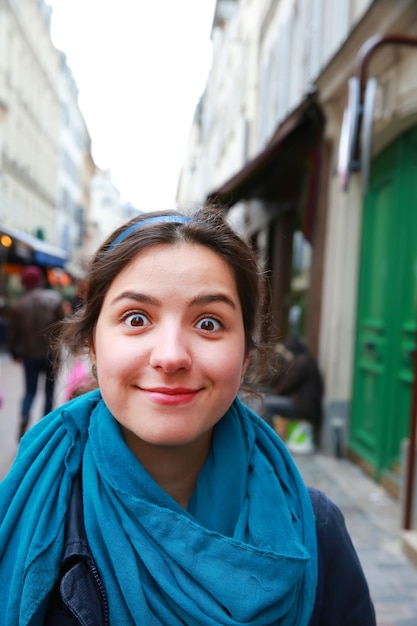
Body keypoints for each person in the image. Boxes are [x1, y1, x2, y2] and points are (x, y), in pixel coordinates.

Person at [0, 207, 376, 625]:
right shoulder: (33, 506)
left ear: (246, 355)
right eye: (137, 318)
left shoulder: (316, 532)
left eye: (209, 323)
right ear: (93, 343)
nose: (171, 356)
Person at [7, 264, 66, 439]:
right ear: (40, 280)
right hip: (51, 354)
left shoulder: (18, 305)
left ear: (24, 282)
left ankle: (24, 416)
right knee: (49, 392)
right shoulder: (54, 299)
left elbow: (13, 335)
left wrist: (16, 354)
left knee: (30, 391)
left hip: (30, 355)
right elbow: (62, 328)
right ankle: (45, 428)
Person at [261, 333, 324, 454]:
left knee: (267, 404)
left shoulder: (302, 362)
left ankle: (271, 444)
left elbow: (285, 385)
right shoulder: (303, 360)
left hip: (305, 407)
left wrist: (272, 393)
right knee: (267, 399)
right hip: (302, 404)